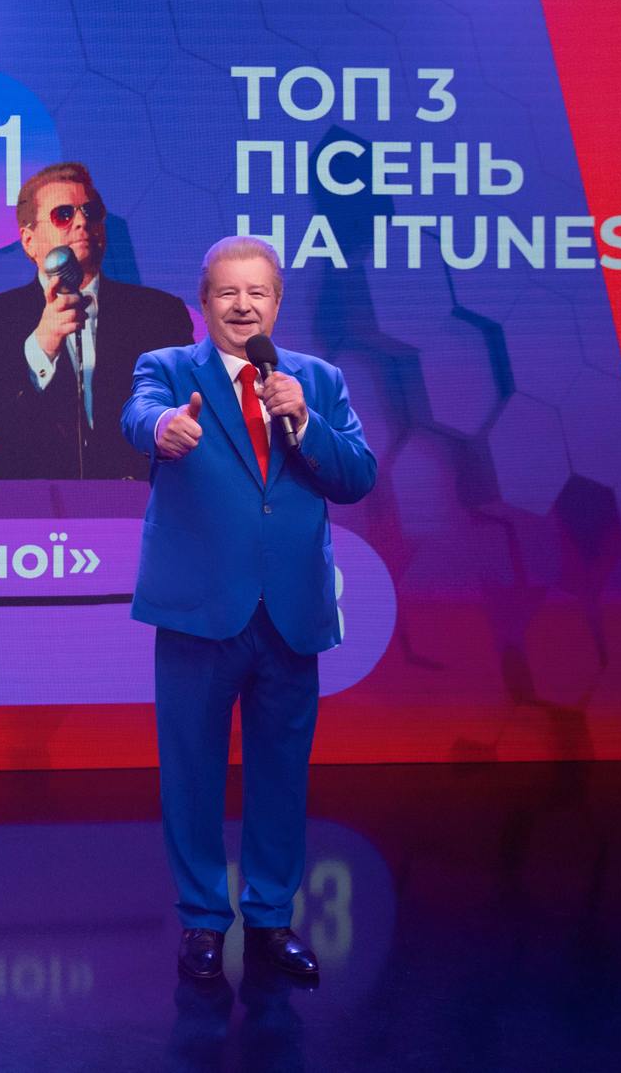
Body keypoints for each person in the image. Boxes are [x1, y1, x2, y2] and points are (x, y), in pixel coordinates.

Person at [120, 236, 377, 982]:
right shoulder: (169, 369)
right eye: (228, 293)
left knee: (281, 774)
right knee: (192, 773)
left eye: (257, 292)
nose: (243, 306)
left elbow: (356, 475)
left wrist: (306, 422)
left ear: (277, 302)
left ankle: (270, 919)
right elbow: (140, 415)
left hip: (291, 612)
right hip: (199, 611)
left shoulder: (317, 380)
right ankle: (203, 920)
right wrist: (162, 429)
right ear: (204, 303)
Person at [0, 161, 193, 479]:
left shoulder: (160, 313)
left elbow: (185, 403)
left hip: (137, 499)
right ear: (29, 241)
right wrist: (40, 347)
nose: (81, 222)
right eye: (63, 214)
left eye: (90, 212)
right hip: (33, 501)